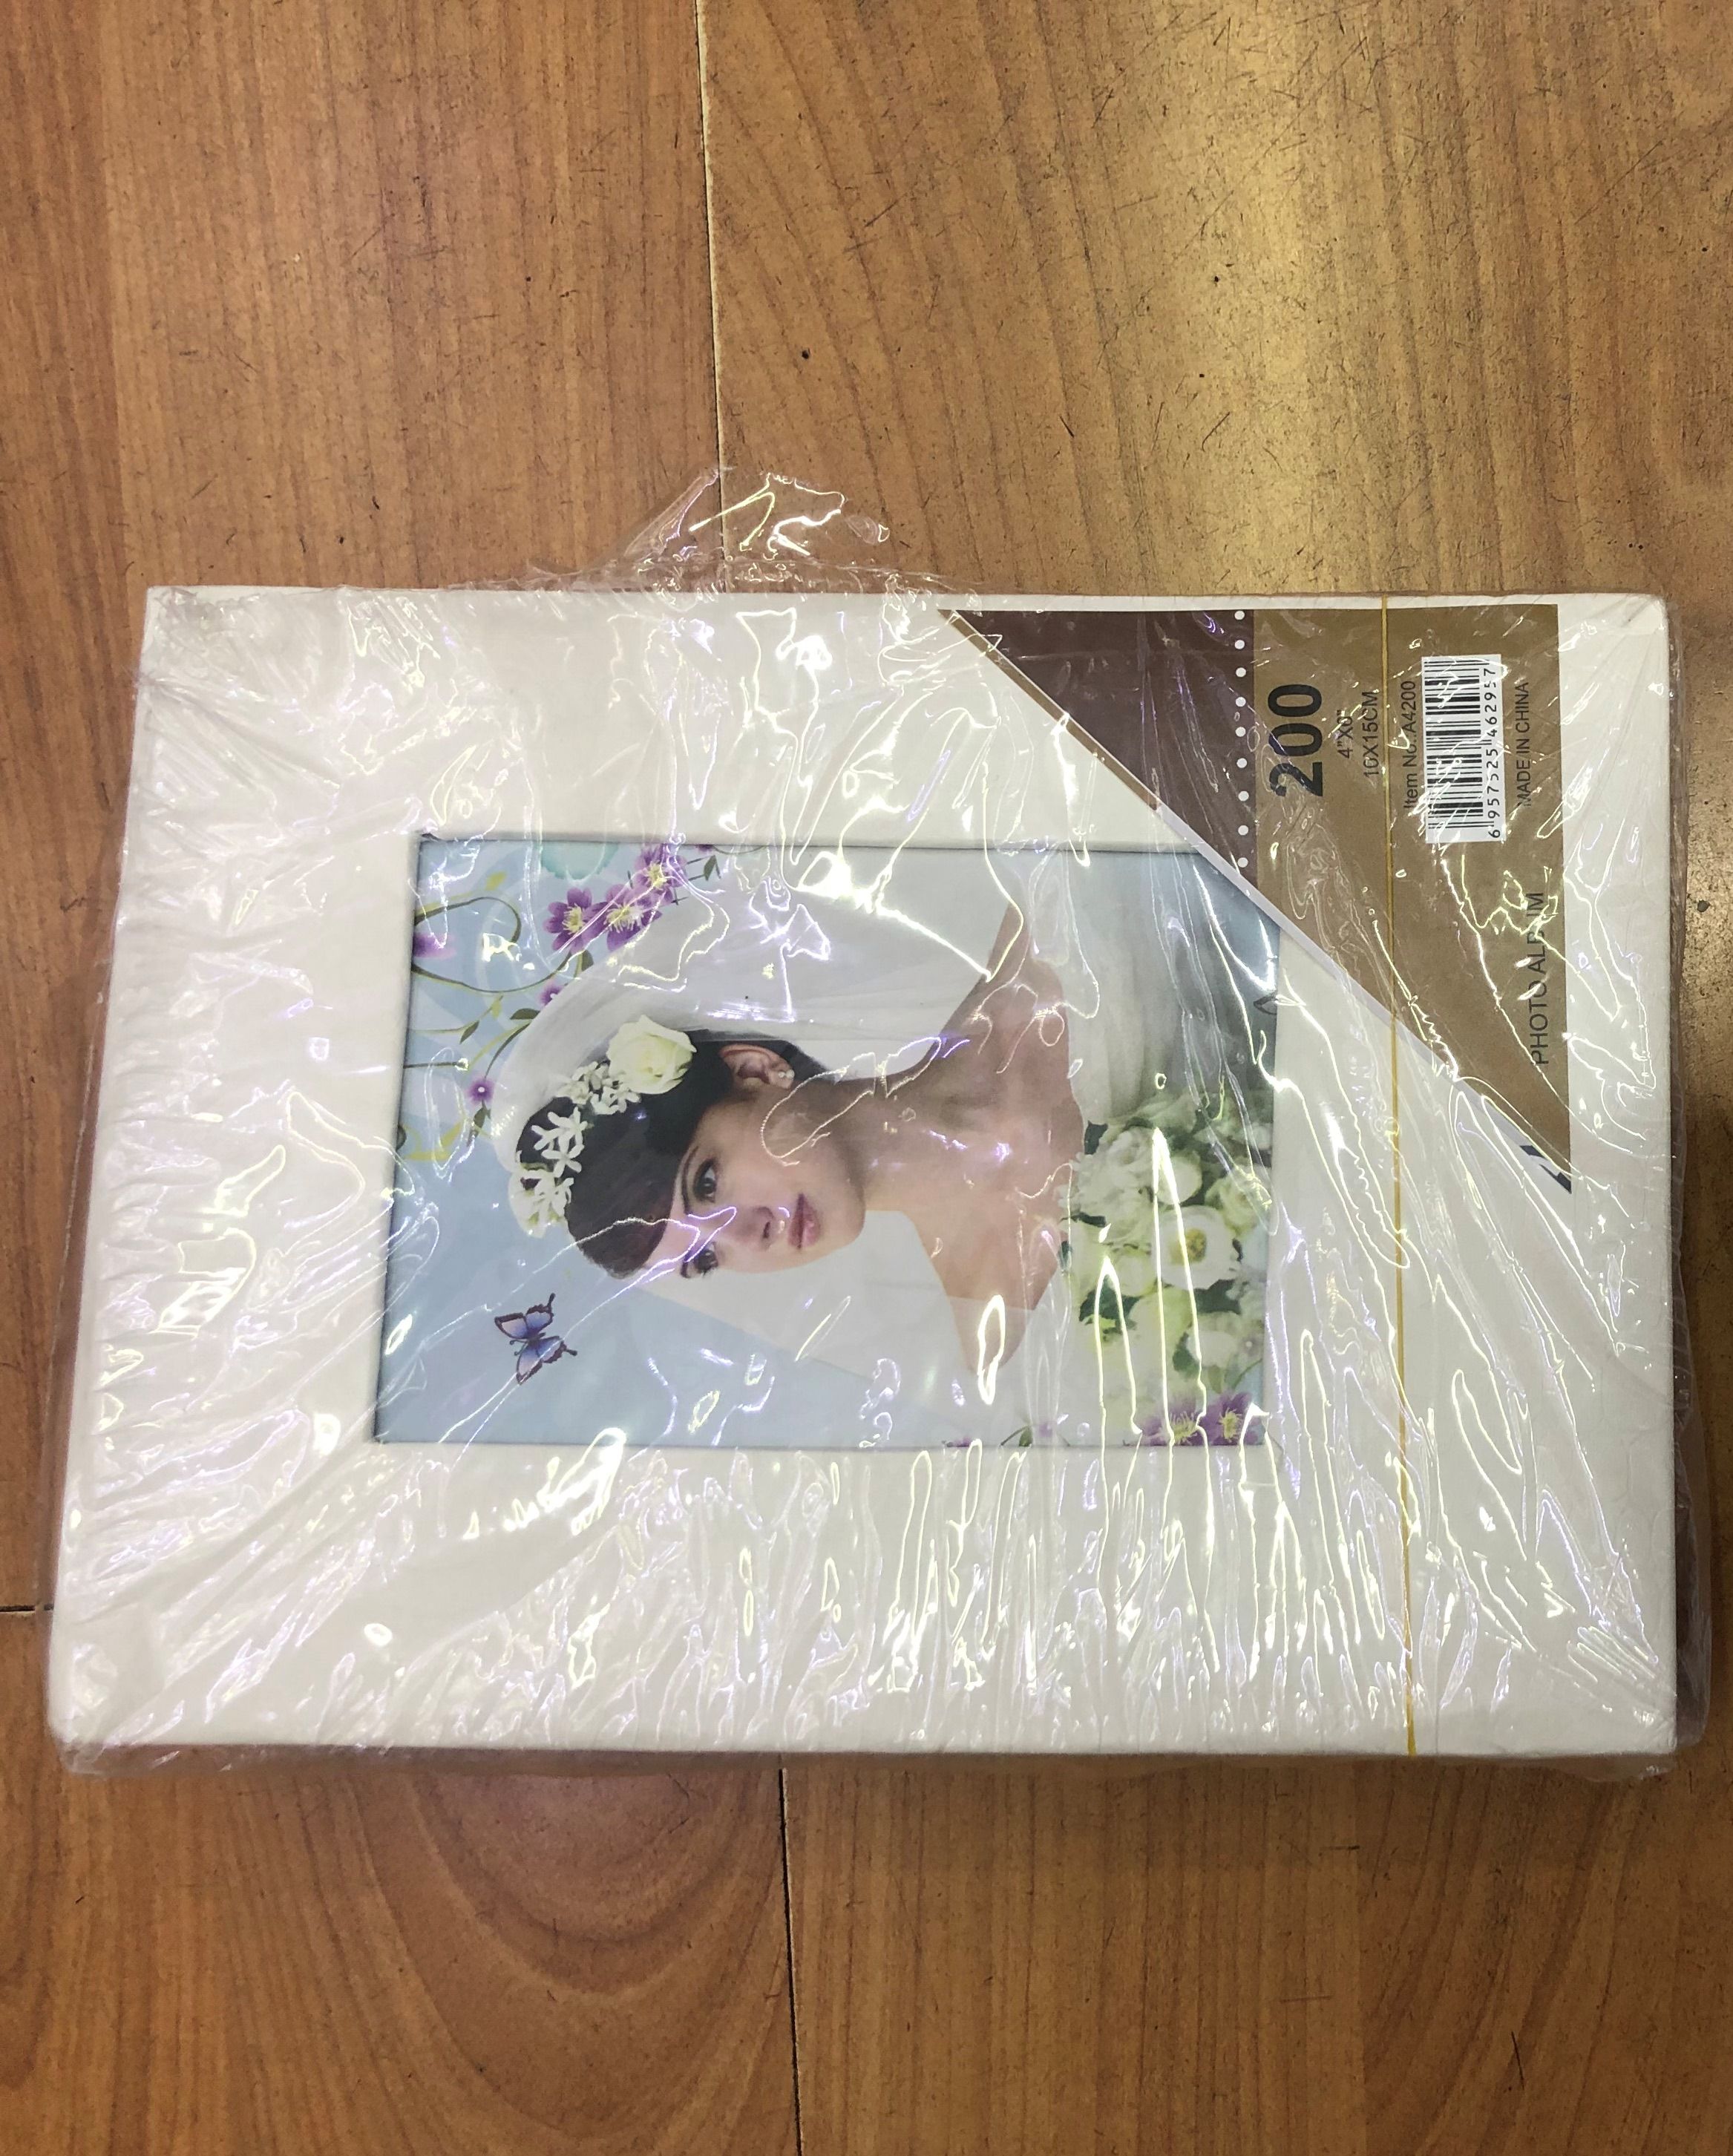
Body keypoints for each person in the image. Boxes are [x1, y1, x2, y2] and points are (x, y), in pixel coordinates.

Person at [510, 902, 1081, 1364]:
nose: (748, 1236)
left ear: (753, 1070)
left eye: (706, 1183)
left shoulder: (1038, 939)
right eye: (706, 1258)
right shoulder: (999, 1324)